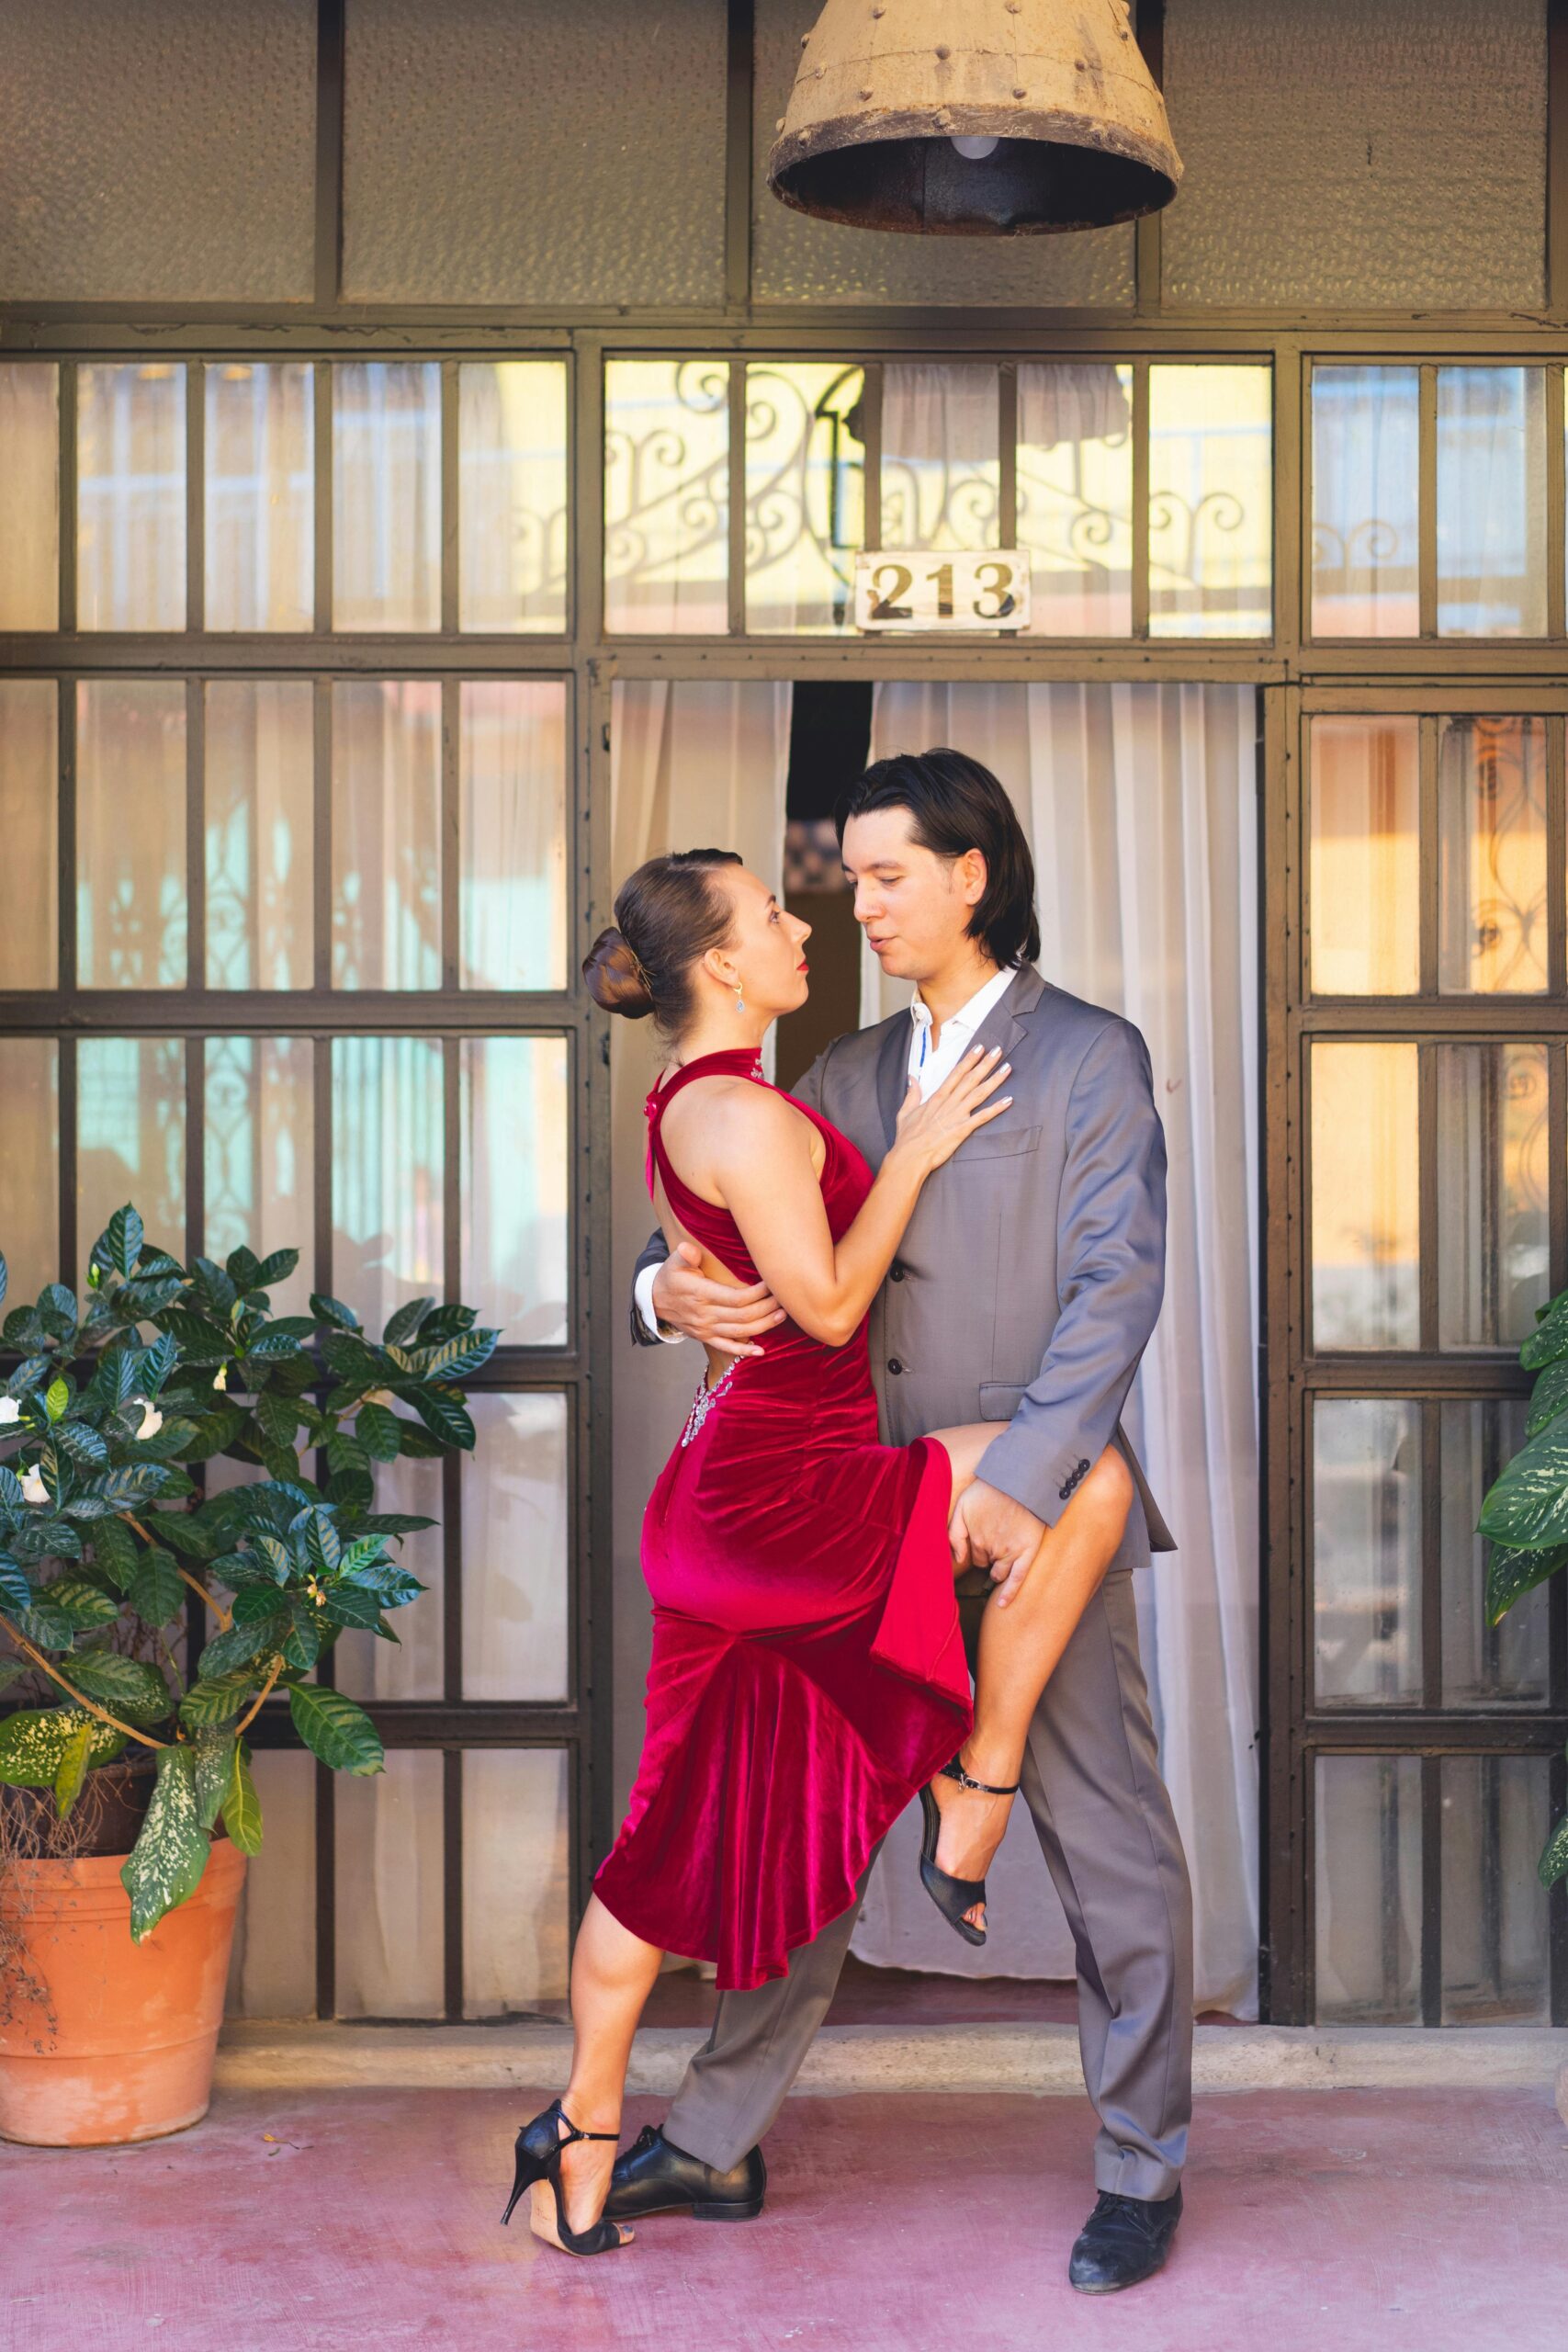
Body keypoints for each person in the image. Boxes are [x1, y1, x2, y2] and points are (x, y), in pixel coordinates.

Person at [609, 750, 1193, 2296]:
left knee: (1113, 1845)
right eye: (845, 878)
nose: (856, 904)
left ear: (971, 875)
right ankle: (718, 2137)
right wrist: (657, 1297)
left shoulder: (1090, 1059)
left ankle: (1142, 2167)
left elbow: (1118, 1290)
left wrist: (1019, 1485)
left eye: (884, 875)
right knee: (803, 1823)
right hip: (861, 1524)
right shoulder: (843, 1076)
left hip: (1031, 1520)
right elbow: (723, 1215)